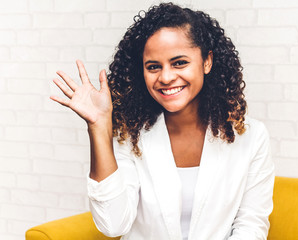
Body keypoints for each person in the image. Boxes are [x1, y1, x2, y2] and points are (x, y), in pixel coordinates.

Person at [50, 2, 274, 240]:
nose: (166, 77)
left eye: (179, 63)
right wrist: (98, 127)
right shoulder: (131, 136)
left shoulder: (251, 136)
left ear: (206, 61)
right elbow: (113, 225)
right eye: (153, 67)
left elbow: (251, 226)